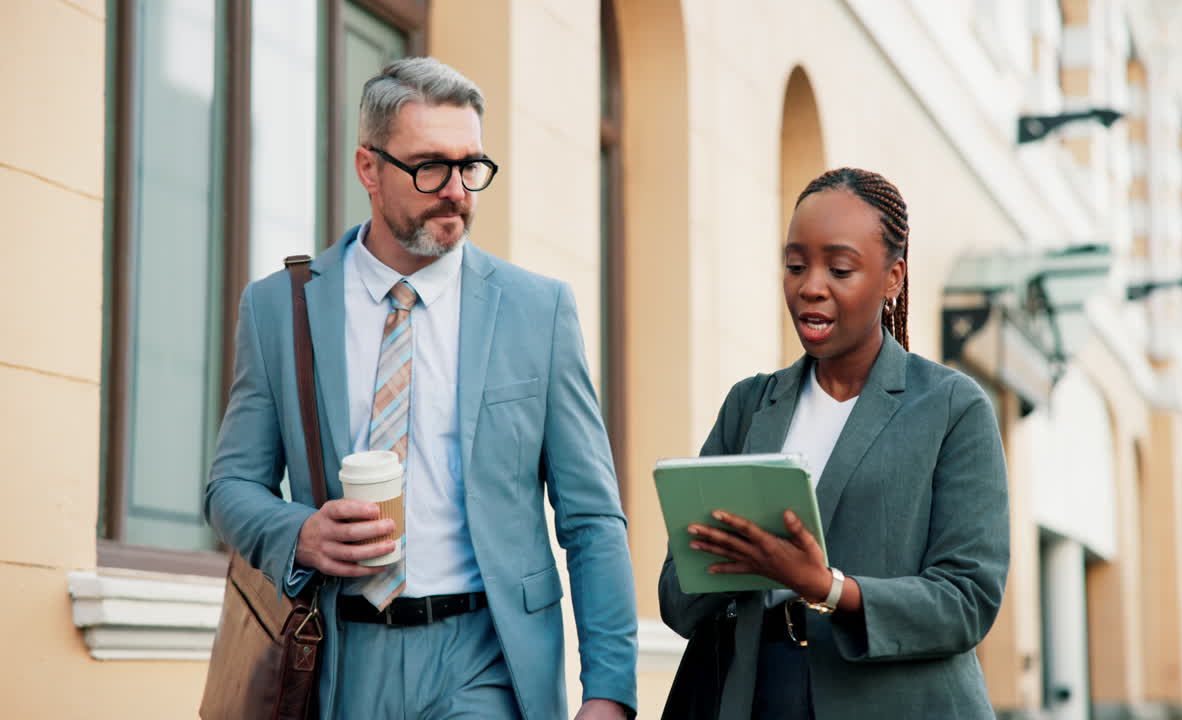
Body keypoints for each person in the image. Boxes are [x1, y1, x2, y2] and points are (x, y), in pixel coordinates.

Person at [205, 57, 637, 720]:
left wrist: (609, 691)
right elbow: (230, 487)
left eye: (471, 167)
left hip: (485, 658)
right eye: (430, 166)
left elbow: (592, 516)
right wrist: (299, 535)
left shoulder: (538, 311)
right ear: (368, 169)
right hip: (335, 655)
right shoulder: (279, 308)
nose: (457, 191)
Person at [658, 168, 1010, 719]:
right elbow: (678, 599)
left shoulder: (951, 407)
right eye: (796, 265)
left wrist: (828, 587)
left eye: (839, 268)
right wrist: (728, 558)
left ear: (893, 277)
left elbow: (968, 599)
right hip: (753, 694)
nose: (810, 285)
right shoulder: (750, 405)